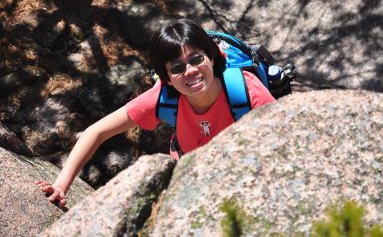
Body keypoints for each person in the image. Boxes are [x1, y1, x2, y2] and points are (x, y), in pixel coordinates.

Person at [35, 19, 275, 208]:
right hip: (191, 177)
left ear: (211, 57)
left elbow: (282, 140)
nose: (190, 71)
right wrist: (61, 185)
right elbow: (96, 132)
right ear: (167, 79)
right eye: (178, 68)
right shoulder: (163, 97)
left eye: (196, 58)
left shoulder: (245, 91)